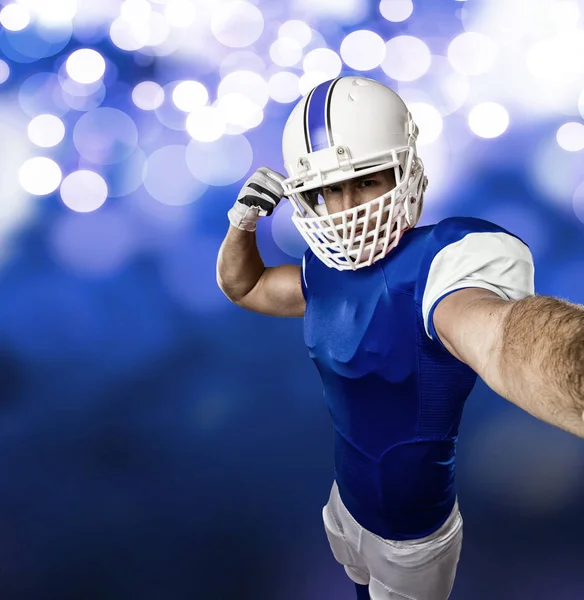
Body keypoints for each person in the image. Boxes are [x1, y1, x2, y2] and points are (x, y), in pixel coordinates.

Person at [216, 76, 584, 600]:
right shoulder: (320, 269)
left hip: (413, 532)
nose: (346, 210)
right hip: (347, 499)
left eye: (366, 181)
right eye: (326, 191)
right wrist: (242, 224)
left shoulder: (440, 264)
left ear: (406, 169)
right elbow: (245, 284)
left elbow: (501, 337)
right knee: (355, 580)